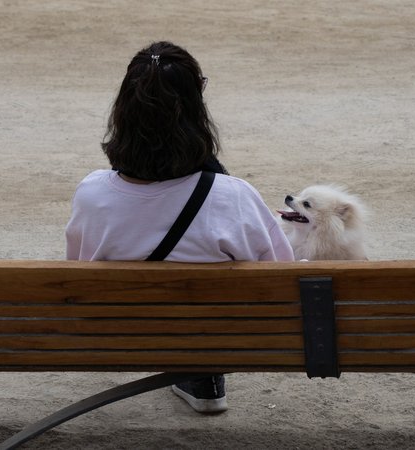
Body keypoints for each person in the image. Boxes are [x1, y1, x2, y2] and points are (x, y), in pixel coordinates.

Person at [65, 41, 294, 413]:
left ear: (124, 111)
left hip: (114, 335)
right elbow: (281, 280)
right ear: (196, 109)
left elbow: (78, 267)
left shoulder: (92, 194)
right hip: (216, 335)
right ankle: (202, 370)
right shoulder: (232, 196)